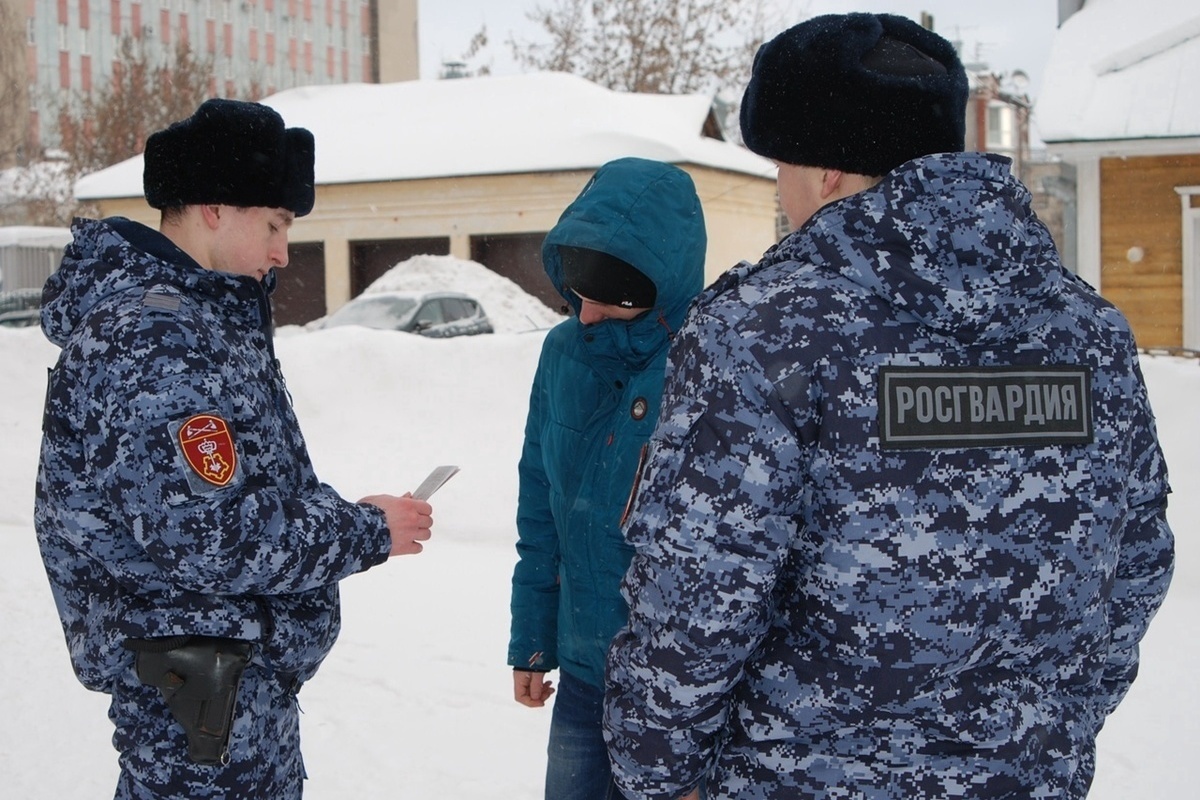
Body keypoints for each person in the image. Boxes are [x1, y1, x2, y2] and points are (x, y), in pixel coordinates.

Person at [603, 13, 1175, 800]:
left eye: (781, 166)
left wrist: (659, 777)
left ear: (826, 171)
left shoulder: (763, 329)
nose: (780, 190)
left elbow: (699, 597)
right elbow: (1136, 566)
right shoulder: (1090, 333)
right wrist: (1037, 737)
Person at [34, 98, 434, 799]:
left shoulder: (202, 323)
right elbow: (211, 538)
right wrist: (365, 530)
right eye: (275, 224)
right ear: (214, 208)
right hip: (199, 715)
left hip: (230, 700)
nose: (284, 251)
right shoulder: (152, 341)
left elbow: (244, 496)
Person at [508, 157, 706, 800]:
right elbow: (542, 510)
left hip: (675, 696)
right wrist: (533, 640)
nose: (585, 313)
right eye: (578, 290)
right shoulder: (562, 354)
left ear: (656, 286)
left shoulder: (707, 366)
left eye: (608, 298)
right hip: (585, 678)